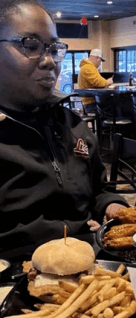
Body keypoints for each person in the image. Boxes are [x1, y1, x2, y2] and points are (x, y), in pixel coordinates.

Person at [0, 0, 127, 258]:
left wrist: (114, 208)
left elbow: (100, 190)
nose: (49, 61)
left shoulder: (72, 124)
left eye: (53, 48)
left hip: (92, 260)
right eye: (29, 45)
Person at [78, 49, 113, 114]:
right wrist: (108, 82)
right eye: (100, 60)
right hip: (92, 104)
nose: (100, 63)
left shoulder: (88, 67)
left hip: (91, 102)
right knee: (116, 107)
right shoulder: (88, 67)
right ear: (97, 58)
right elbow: (99, 82)